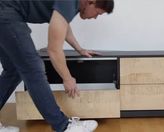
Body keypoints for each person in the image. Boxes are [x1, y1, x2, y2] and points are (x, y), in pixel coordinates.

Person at [0, 0, 114, 131]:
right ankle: (63, 126)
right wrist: (67, 78)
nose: (95, 18)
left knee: (13, 70)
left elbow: (62, 24)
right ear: (91, 2)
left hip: (4, 11)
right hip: (6, 12)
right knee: (33, 68)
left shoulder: (72, 5)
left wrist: (79, 48)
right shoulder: (70, 2)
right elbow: (54, 49)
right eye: (98, 13)